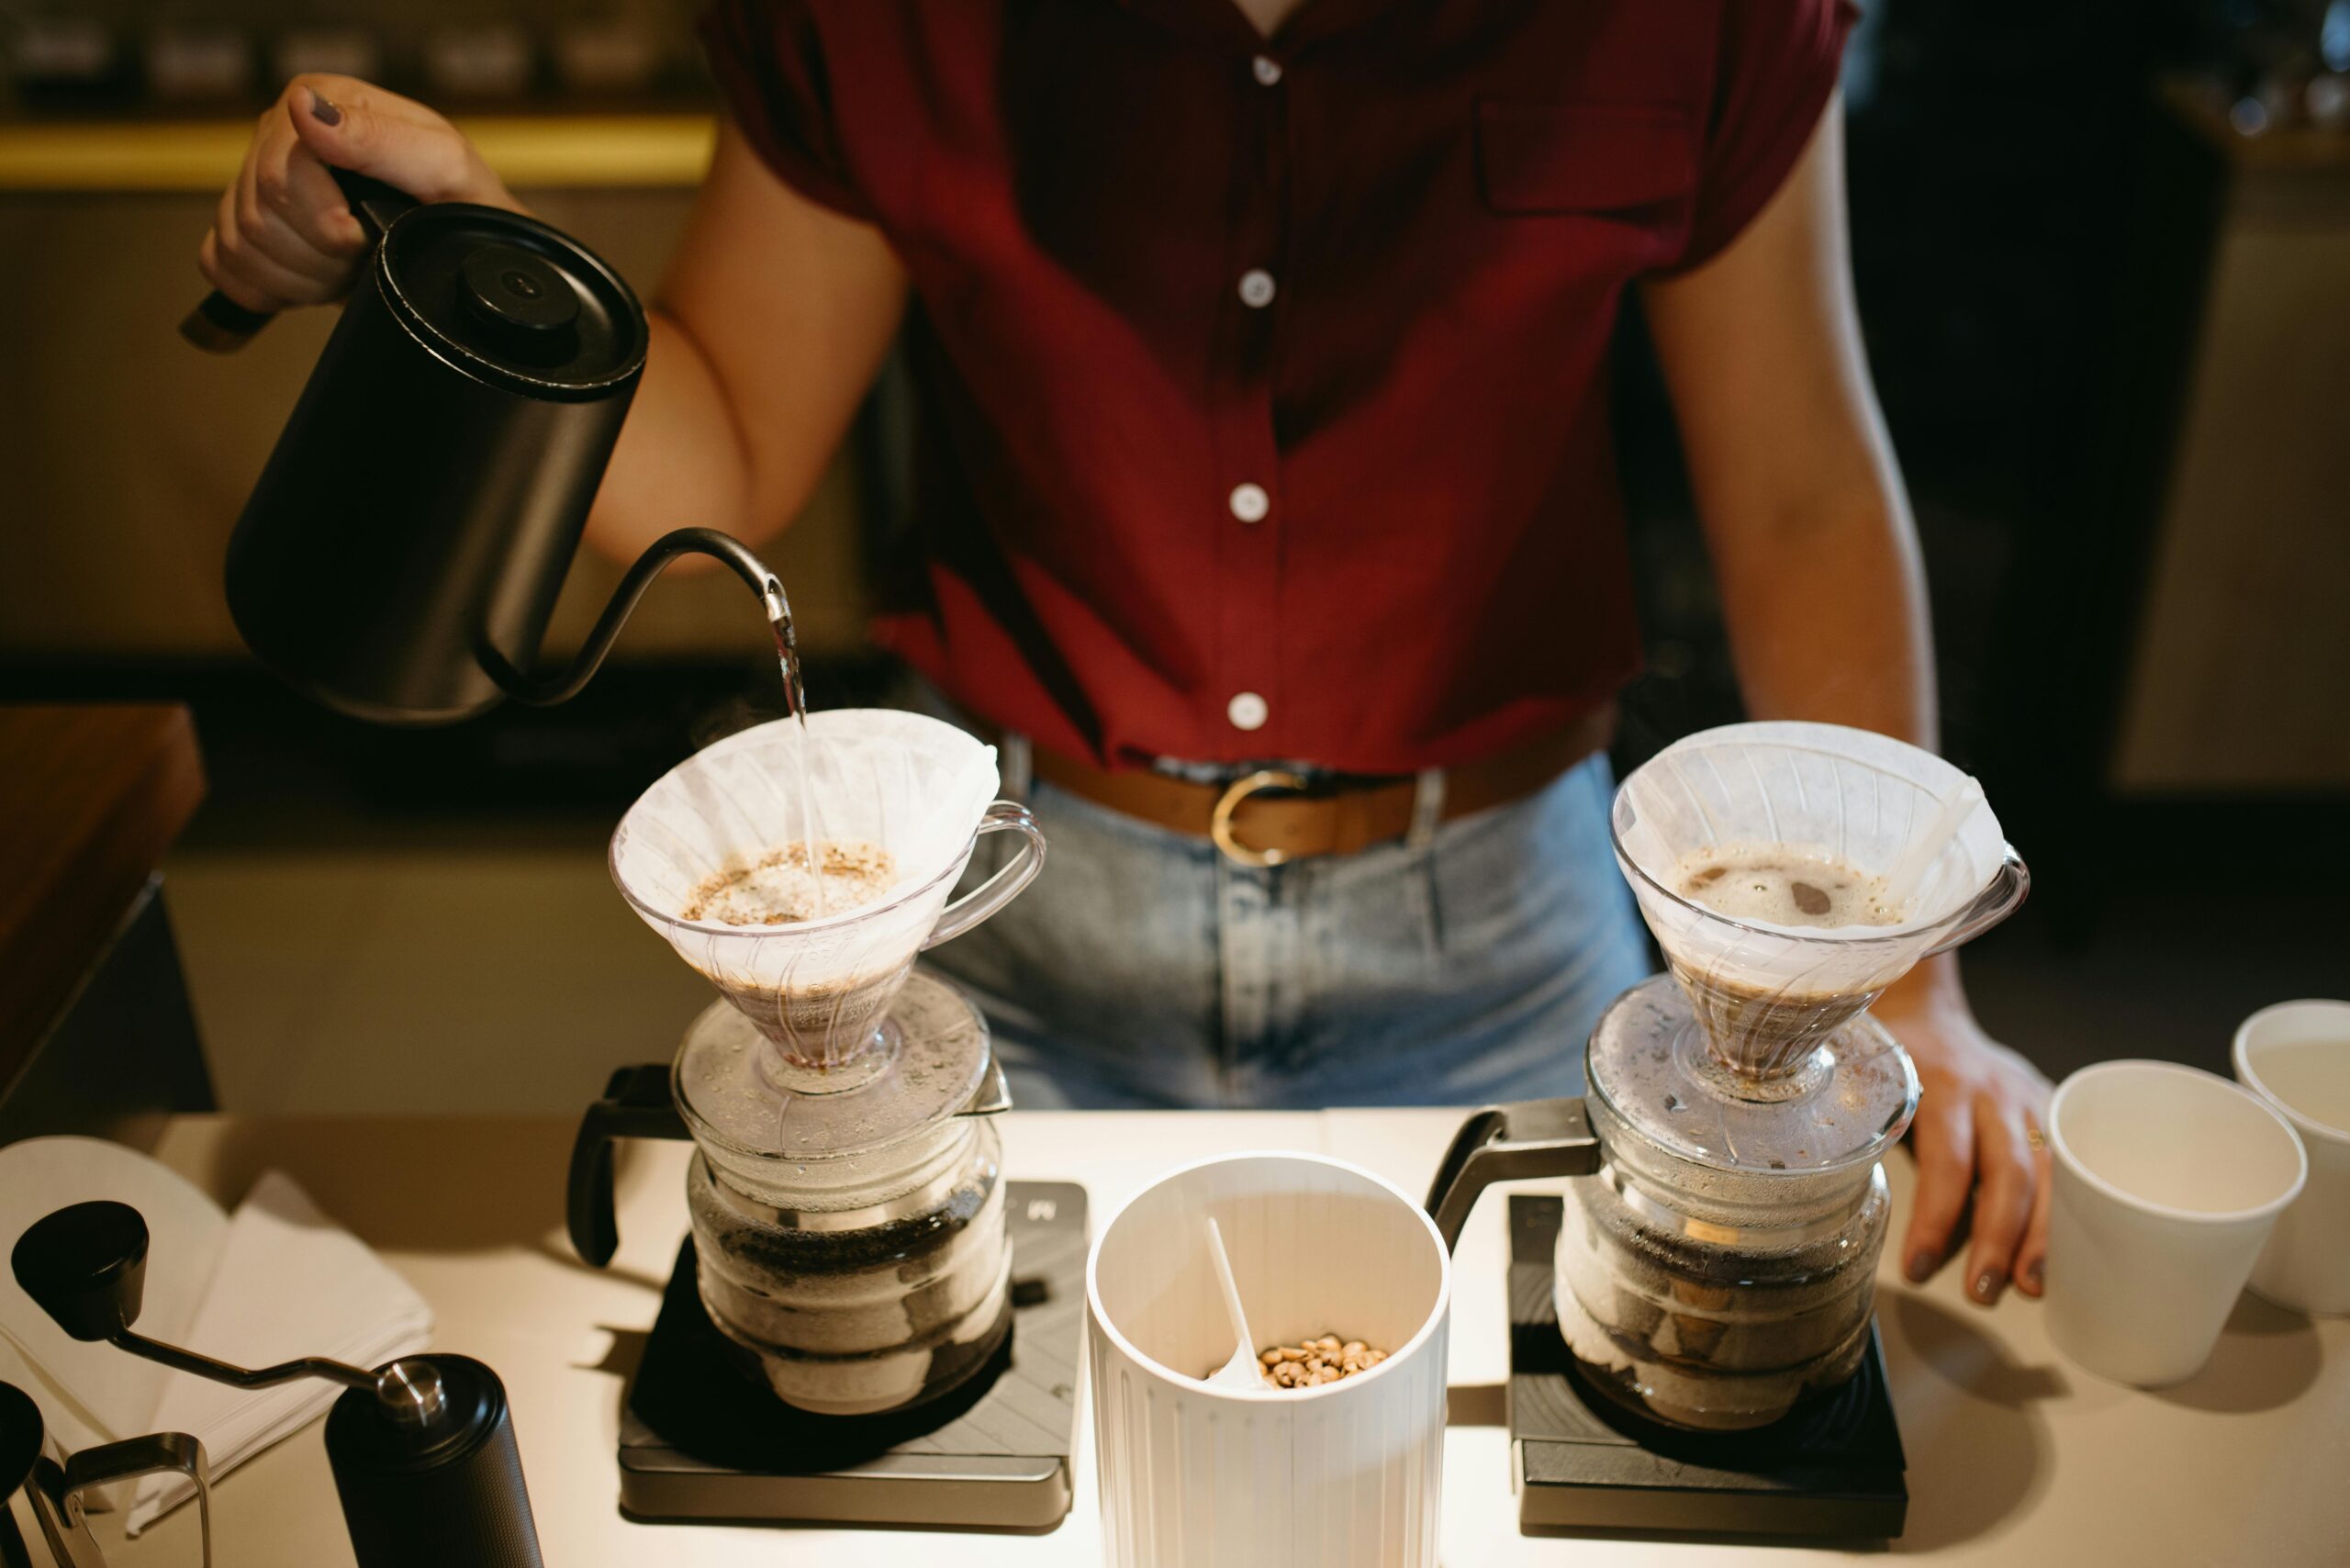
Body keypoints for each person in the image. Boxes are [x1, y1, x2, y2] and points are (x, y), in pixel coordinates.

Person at [197, 0, 2052, 1305]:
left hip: (1496, 932)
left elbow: (1801, 492)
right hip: (1023, 929)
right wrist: (469, 249)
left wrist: (1902, 989)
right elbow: (730, 438)